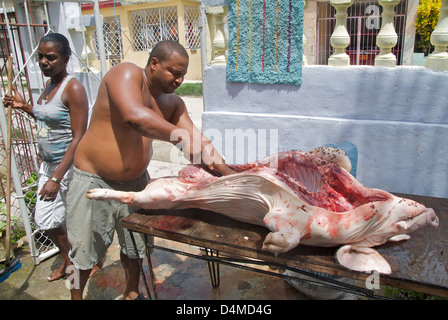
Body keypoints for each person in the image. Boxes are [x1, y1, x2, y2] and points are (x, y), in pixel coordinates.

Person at [67, 40, 235, 300]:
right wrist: (184, 139)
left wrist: (233, 176)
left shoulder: (172, 103)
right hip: (93, 180)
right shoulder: (126, 73)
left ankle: (132, 291)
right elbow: (134, 117)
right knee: (82, 254)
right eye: (174, 72)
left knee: (135, 248)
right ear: (154, 64)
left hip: (136, 184)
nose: (179, 80)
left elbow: (199, 143)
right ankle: (74, 297)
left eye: (183, 75)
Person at [2, 33, 93, 281]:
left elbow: (78, 136)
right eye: (41, 56)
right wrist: (25, 106)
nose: (43, 61)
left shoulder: (73, 88)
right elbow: (50, 120)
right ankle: (70, 257)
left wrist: (56, 177)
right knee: (48, 220)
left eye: (50, 57)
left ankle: (80, 261)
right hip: (49, 165)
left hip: (68, 167)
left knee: (72, 219)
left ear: (66, 59)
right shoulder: (50, 84)